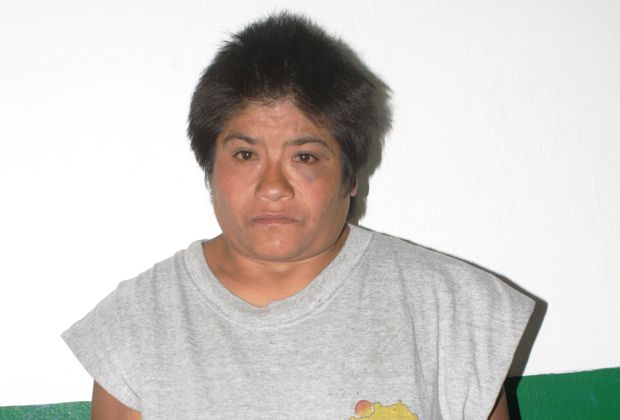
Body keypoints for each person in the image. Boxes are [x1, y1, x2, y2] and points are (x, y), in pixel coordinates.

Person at [63, 12, 533, 420]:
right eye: (245, 155)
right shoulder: (135, 326)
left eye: (304, 157)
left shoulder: (452, 310)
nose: (273, 186)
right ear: (210, 169)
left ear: (351, 175)